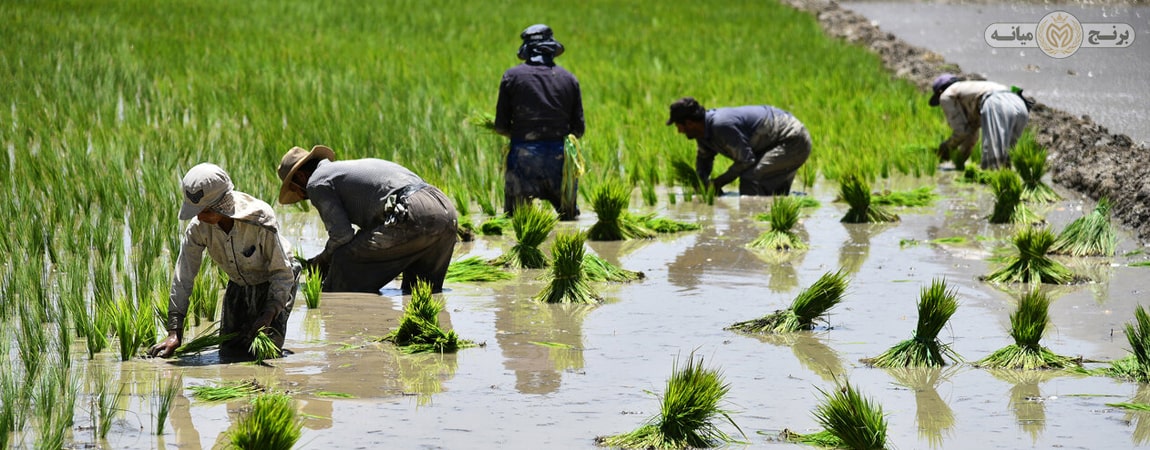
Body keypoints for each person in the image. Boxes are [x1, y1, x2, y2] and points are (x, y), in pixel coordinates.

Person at [148, 163, 299, 361]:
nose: (199, 217)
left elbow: (281, 273)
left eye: (205, 211)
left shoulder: (260, 220)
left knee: (265, 353)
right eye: (196, 211)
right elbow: (183, 276)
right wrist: (174, 332)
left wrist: (268, 314)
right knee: (229, 352)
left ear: (222, 204)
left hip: (277, 281)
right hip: (239, 281)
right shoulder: (198, 228)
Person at [277, 145, 458, 294]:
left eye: (296, 191)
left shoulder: (316, 182)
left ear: (300, 177)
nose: (302, 197)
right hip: (445, 210)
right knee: (421, 293)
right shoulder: (344, 170)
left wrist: (319, 263)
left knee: (343, 261)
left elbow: (342, 236)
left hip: (412, 212)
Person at [494, 23, 585, 221]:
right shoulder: (569, 79)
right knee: (569, 220)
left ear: (526, 50)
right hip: (560, 160)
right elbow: (578, 129)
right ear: (552, 49)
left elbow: (500, 125)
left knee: (516, 221)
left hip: (523, 157)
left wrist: (523, 134)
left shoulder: (512, 77)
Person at [666, 97, 811, 196]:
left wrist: (717, 183)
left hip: (792, 140)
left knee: (750, 178)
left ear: (689, 123)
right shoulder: (703, 133)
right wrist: (701, 183)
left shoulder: (721, 125)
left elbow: (746, 161)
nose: (679, 131)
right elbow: (704, 159)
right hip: (773, 143)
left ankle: (750, 228)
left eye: (679, 126)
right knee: (774, 195)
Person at [929, 73, 1030, 170]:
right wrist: (959, 160)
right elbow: (971, 134)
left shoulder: (946, 95)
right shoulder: (971, 92)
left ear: (940, 91)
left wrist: (946, 147)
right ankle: (1005, 183)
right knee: (1006, 157)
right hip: (1019, 103)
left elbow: (961, 131)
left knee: (993, 159)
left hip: (996, 102)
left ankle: (991, 183)